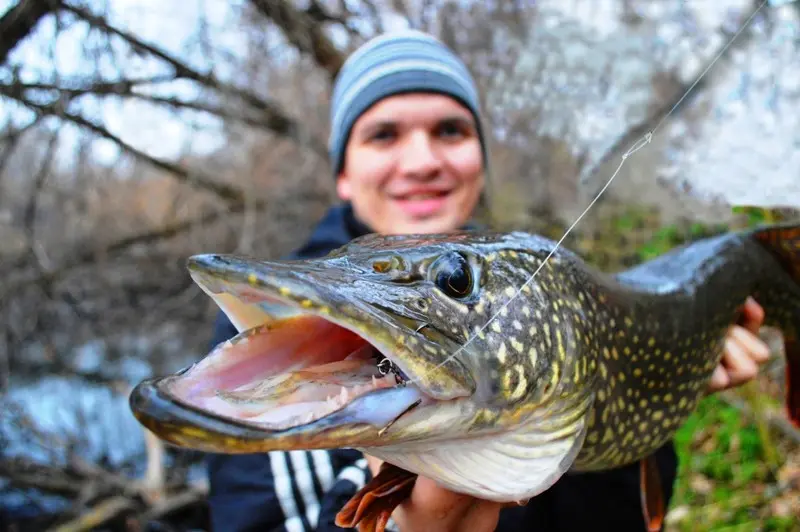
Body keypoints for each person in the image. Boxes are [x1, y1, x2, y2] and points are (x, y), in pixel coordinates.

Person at [205, 30, 772, 532]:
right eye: (384, 135)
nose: (423, 160)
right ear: (344, 176)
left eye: (450, 130)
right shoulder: (280, 328)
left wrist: (667, 389)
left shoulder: (536, 285)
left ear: (479, 157)